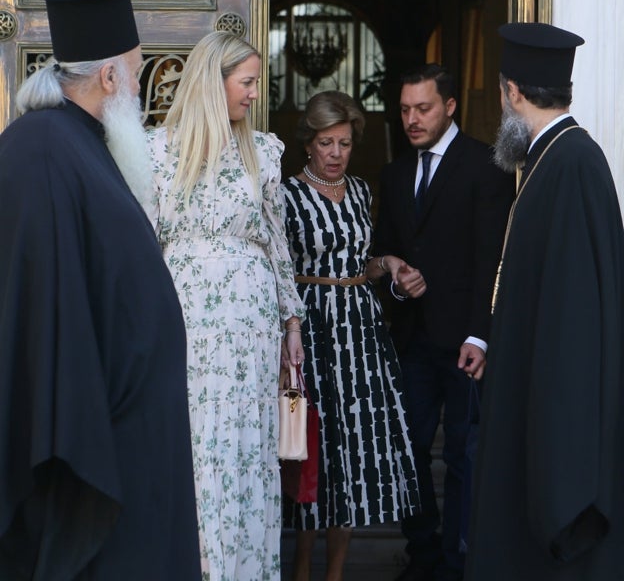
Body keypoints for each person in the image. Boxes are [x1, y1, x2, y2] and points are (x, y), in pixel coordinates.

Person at [0, 0, 201, 580]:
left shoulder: (79, 143)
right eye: (136, 73)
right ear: (109, 77)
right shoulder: (39, 150)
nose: (139, 88)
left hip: (128, 438)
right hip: (91, 454)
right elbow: (39, 303)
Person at [141, 30, 305, 580]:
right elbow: (145, 241)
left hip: (250, 326)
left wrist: (292, 322)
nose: (255, 93)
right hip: (185, 318)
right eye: (248, 81)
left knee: (244, 449)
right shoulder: (158, 150)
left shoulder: (262, 150)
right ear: (215, 82)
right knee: (191, 443)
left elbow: (276, 241)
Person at [465, 22, 624, 581]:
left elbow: (574, 310)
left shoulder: (572, 162)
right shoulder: (552, 158)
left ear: (511, 91)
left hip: (554, 405)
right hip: (529, 384)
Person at [368, 64, 515, 581]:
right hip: (412, 341)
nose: (411, 119)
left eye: (423, 108)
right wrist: (394, 276)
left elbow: (491, 259)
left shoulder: (486, 166)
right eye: (405, 109)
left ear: (449, 106)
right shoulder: (393, 172)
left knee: (462, 456)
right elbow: (382, 251)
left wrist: (480, 334)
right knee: (407, 452)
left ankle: (457, 563)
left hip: (466, 343)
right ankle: (422, 555)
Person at [281, 90, 420, 581]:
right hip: (312, 328)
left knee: (352, 453)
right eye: (326, 143)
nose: (336, 153)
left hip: (360, 329)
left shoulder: (361, 190)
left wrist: (386, 264)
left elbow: (363, 262)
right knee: (313, 450)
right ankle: (300, 569)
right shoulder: (287, 196)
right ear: (309, 144)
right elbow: (280, 271)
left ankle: (335, 573)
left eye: (343, 142)